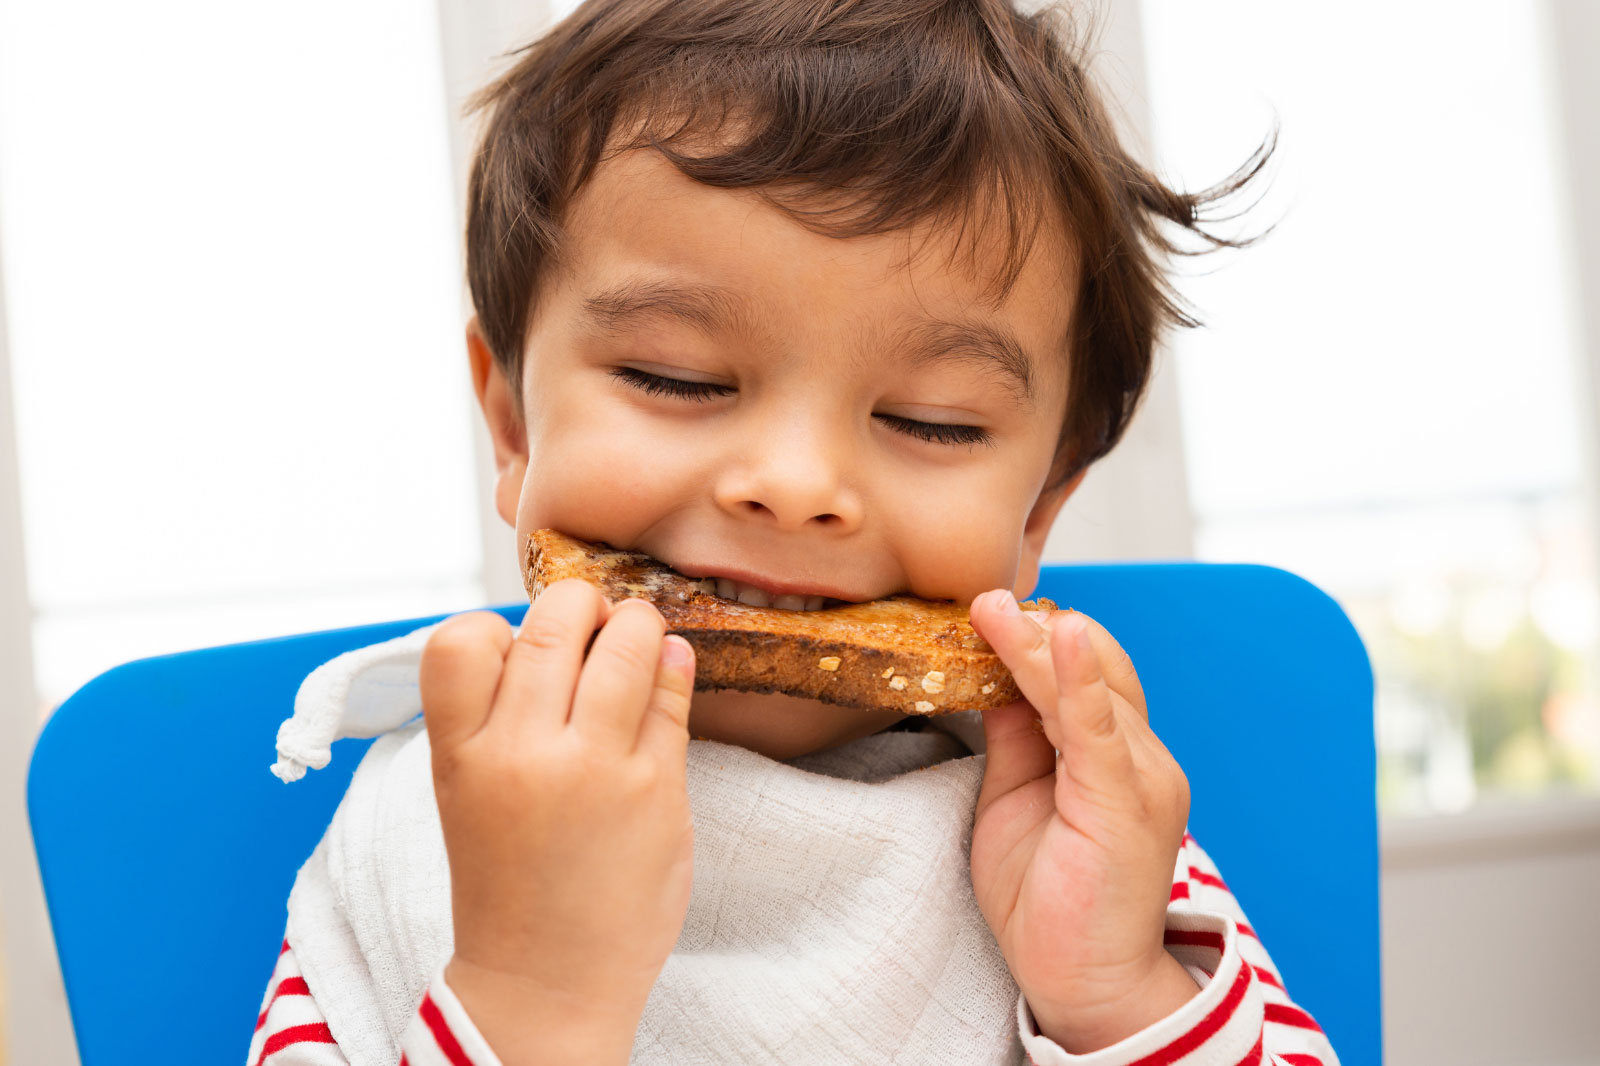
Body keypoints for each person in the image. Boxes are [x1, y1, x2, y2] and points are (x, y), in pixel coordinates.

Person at [248, 1, 1340, 1063]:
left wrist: (1113, 995)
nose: (795, 483)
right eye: (671, 378)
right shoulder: (422, 831)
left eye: (931, 422)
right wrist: (530, 997)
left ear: (1041, 506)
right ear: (512, 425)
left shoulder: (1083, 835)